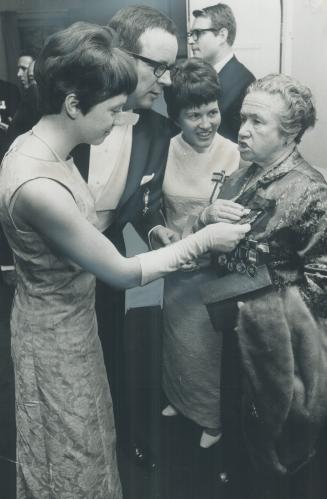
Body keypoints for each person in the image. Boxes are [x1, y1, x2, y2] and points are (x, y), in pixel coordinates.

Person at [0, 22, 250, 498]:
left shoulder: (47, 149)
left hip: (73, 320)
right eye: (113, 111)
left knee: (87, 432)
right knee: (68, 445)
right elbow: (122, 271)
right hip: (55, 332)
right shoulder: (39, 184)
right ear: (74, 104)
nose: (119, 120)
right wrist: (204, 239)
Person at [197, 73, 327, 498]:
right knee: (239, 425)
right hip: (238, 328)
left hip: (281, 346)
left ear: (289, 134)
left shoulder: (312, 191)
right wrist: (207, 218)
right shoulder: (241, 175)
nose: (242, 130)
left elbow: (322, 278)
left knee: (277, 439)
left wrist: (264, 304)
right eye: (243, 118)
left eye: (257, 122)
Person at [72, 5, 179, 465]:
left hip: (109, 271)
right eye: (159, 67)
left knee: (112, 358)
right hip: (49, 278)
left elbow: (139, 205)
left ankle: (116, 441)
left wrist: (156, 228)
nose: (167, 81)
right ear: (118, 55)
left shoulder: (158, 130)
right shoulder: (67, 113)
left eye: (171, 70)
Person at [151, 57, 246, 449]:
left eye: (212, 112)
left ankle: (211, 418)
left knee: (207, 348)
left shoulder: (234, 153)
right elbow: (151, 205)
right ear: (175, 117)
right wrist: (159, 231)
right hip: (176, 266)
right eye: (194, 116)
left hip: (215, 270)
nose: (206, 123)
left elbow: (243, 219)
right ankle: (179, 399)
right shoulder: (163, 149)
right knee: (176, 341)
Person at [188, 3, 255, 143]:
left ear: (222, 36)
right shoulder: (198, 74)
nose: (190, 40)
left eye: (198, 33)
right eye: (191, 34)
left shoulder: (245, 82)